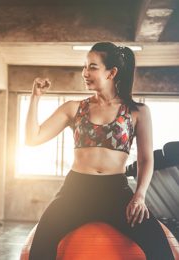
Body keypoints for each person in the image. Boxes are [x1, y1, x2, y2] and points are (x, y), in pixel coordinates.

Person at [26, 42, 174, 260]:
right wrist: (35, 97)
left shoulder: (137, 111)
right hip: (76, 191)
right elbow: (32, 138)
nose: (85, 73)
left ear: (111, 72)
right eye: (84, 66)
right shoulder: (74, 108)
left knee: (160, 248)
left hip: (116, 192)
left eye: (92, 67)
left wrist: (140, 196)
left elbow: (145, 159)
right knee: (40, 248)